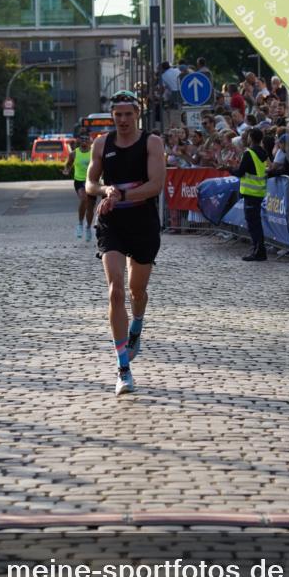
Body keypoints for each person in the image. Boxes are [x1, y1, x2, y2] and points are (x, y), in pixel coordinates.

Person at [86, 90, 165, 396]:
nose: (122, 120)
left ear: (137, 115)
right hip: (111, 222)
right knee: (116, 292)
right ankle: (123, 369)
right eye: (117, 115)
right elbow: (90, 183)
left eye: (127, 114)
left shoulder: (152, 142)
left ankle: (137, 327)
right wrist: (106, 191)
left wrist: (124, 195)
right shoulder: (101, 143)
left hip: (142, 222)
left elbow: (156, 184)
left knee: (137, 291)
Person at [237, 127, 269, 262]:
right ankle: (258, 249)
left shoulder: (249, 153)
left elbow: (240, 171)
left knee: (253, 224)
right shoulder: (263, 152)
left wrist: (228, 169)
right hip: (259, 191)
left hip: (251, 193)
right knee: (256, 223)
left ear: (251, 137)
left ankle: (258, 251)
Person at [62, 134, 95, 240]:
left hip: (92, 181)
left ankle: (88, 228)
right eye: (82, 139)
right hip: (79, 181)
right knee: (84, 198)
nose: (84, 141)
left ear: (90, 141)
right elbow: (68, 165)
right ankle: (80, 224)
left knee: (90, 207)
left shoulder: (94, 153)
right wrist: (66, 170)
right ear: (79, 141)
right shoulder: (74, 153)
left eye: (87, 139)